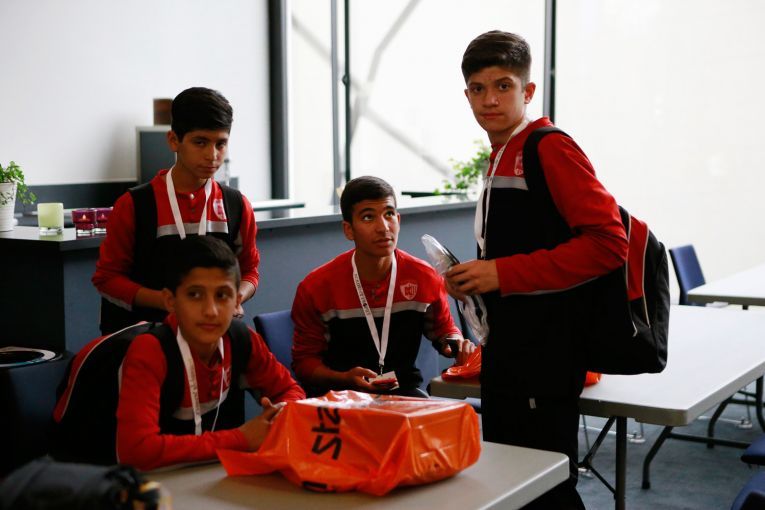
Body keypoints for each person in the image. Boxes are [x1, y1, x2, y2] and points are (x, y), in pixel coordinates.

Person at [445, 31, 628, 509]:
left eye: (503, 86)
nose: (490, 99)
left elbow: (610, 243)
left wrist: (501, 274)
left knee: (544, 484)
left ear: (527, 91)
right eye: (479, 88)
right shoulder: (503, 151)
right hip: (512, 347)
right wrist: (476, 279)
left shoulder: (548, 147)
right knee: (514, 480)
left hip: (544, 352)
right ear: (467, 95)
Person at [114, 236, 305, 471]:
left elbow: (290, 390)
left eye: (222, 295)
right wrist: (241, 438)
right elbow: (136, 451)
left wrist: (281, 413)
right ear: (170, 301)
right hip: (142, 481)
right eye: (195, 295)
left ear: (237, 301)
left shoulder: (241, 339)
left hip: (210, 474)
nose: (211, 311)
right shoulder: (150, 352)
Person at [93, 87, 260, 335]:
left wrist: (236, 297)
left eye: (221, 144)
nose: (212, 155)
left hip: (208, 336)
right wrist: (171, 302)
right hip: (144, 336)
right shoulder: (134, 204)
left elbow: (250, 271)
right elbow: (107, 279)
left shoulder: (237, 205)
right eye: (200, 142)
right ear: (174, 140)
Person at [291, 176, 474, 398]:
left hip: (403, 393)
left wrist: (456, 344)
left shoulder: (424, 276)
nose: (383, 227)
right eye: (368, 217)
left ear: (398, 219)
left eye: (389, 214)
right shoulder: (317, 287)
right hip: (340, 397)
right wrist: (344, 378)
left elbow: (444, 330)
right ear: (348, 230)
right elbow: (304, 364)